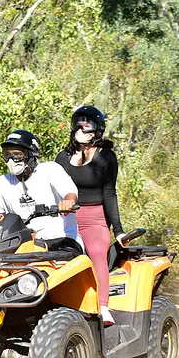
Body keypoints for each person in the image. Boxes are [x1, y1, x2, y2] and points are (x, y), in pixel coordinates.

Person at [0, 129, 84, 257]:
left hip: (61, 240)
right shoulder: (3, 182)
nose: (11, 160)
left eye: (17, 154)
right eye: (7, 154)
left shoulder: (49, 169)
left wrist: (68, 201)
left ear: (31, 154)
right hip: (23, 244)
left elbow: (69, 191)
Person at [55, 106, 125, 326]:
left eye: (88, 123)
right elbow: (52, 189)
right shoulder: (62, 157)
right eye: (79, 122)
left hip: (95, 219)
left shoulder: (106, 157)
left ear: (98, 129)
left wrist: (119, 229)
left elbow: (109, 193)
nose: (82, 126)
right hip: (65, 218)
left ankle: (103, 307)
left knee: (96, 252)